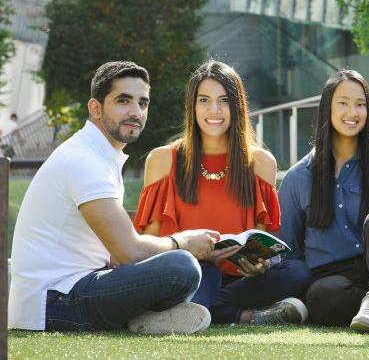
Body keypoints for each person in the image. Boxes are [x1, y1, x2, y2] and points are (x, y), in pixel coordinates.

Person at [10, 61, 219, 333]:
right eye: (123, 101)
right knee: (183, 266)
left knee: (206, 271)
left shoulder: (99, 156)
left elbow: (116, 254)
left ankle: (145, 317)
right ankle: (144, 317)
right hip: (54, 303)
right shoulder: (83, 161)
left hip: (78, 287)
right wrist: (182, 241)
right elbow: (129, 252)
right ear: (95, 108)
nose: (135, 112)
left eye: (143, 103)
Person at [134, 60, 311, 326]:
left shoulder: (261, 162)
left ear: (237, 106)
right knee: (205, 273)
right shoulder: (163, 159)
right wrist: (193, 252)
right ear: (192, 107)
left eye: (224, 100)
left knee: (297, 272)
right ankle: (248, 316)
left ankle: (198, 312)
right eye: (204, 100)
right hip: (187, 274)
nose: (214, 110)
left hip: (241, 282)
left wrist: (260, 265)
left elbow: (262, 241)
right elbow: (148, 246)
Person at [278, 69, 369, 332]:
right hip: (333, 282)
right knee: (321, 296)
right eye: (343, 103)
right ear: (327, 108)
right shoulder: (297, 178)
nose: (352, 112)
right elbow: (289, 253)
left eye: (360, 104)